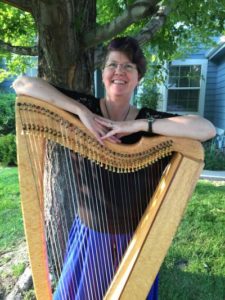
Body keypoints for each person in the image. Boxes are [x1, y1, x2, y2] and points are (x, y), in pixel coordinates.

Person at [13, 36, 216, 300]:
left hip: (134, 242)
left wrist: (140, 126)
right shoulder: (83, 109)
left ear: (138, 77)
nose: (119, 71)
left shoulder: (149, 121)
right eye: (112, 65)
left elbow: (206, 129)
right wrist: (80, 112)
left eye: (128, 66)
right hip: (89, 238)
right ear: (103, 72)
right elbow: (21, 84)